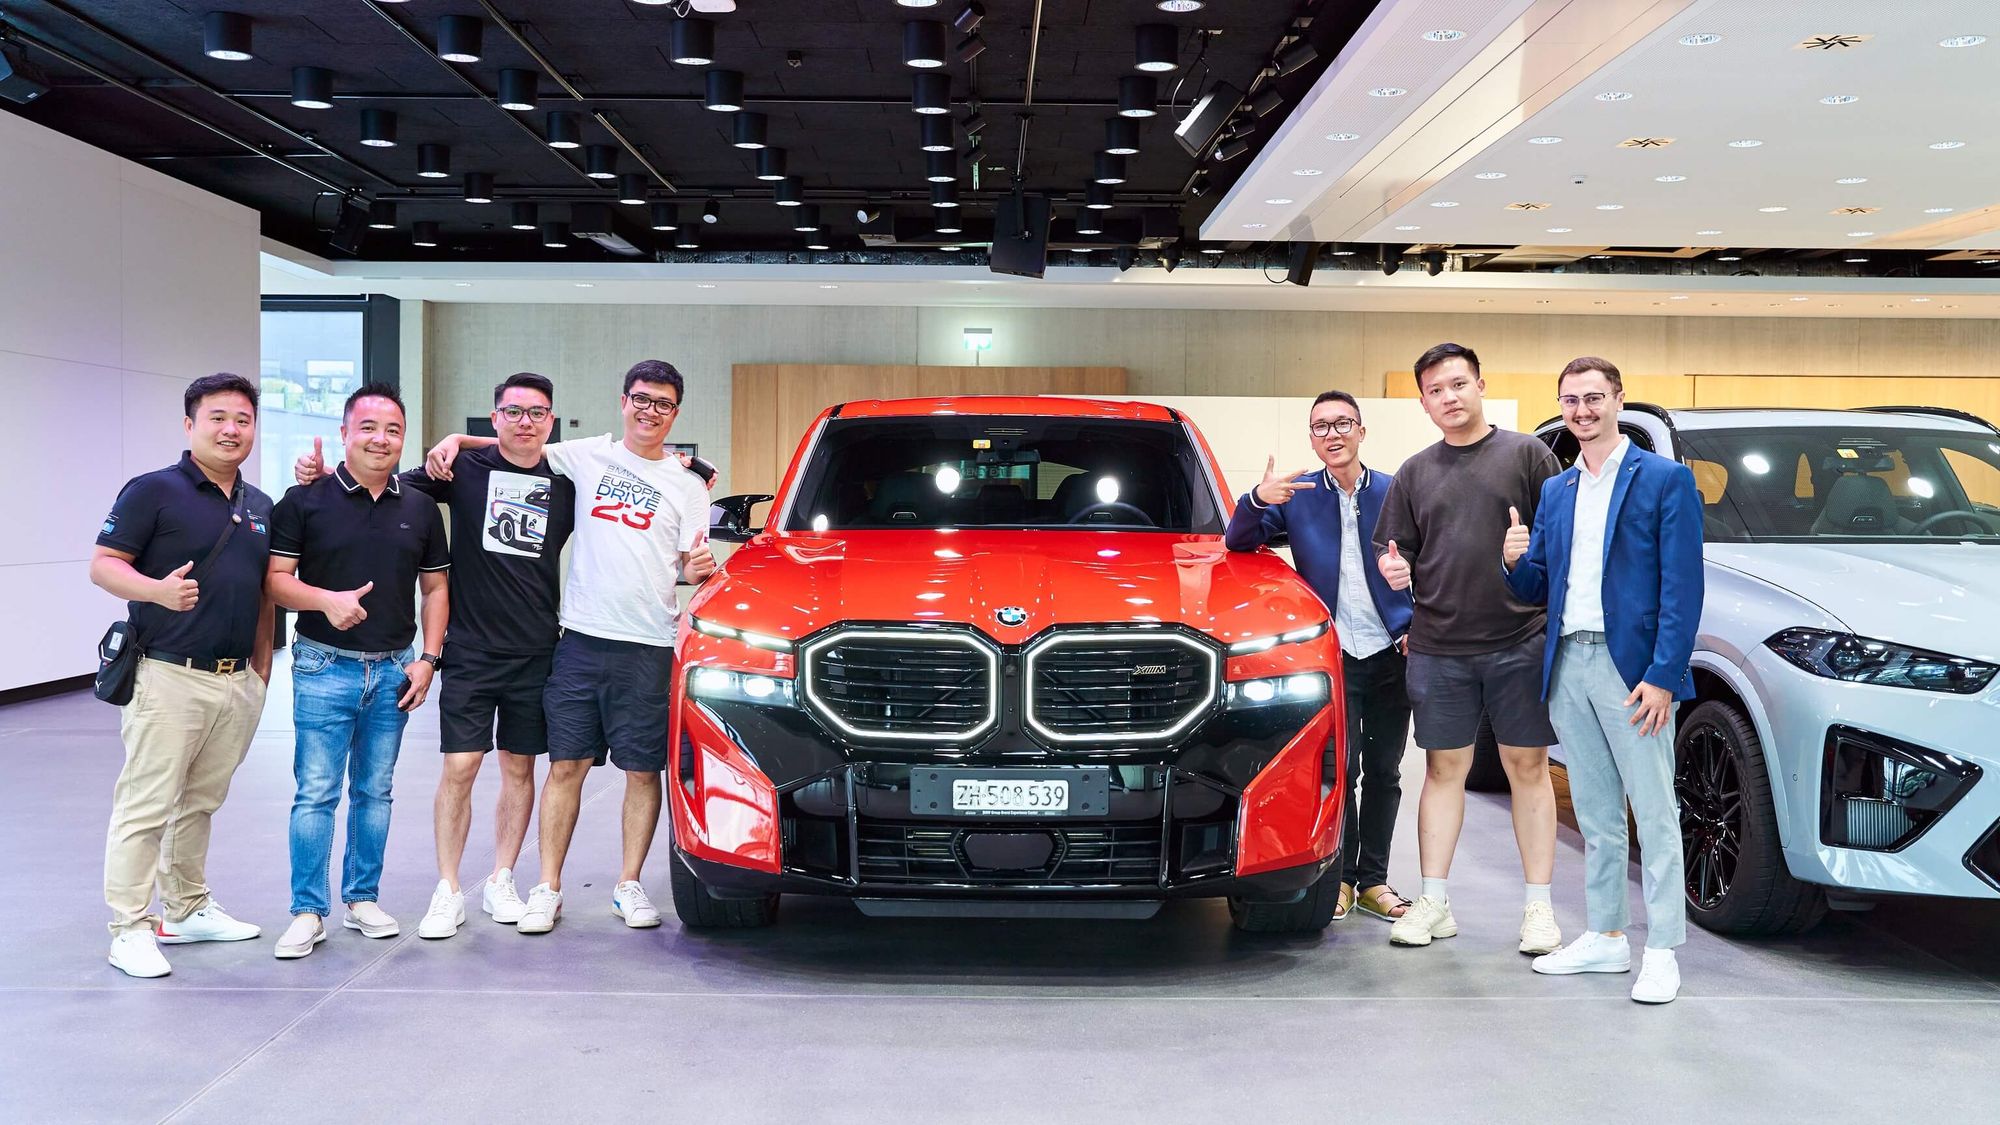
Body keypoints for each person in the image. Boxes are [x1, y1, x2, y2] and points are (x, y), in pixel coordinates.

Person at [424, 359, 717, 935]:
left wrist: (700, 567)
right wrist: (457, 438)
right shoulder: (587, 454)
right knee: (565, 766)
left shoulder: (688, 486)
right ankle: (547, 887)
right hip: (579, 640)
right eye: (641, 399)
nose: (650, 411)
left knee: (642, 772)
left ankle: (628, 885)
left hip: (649, 644)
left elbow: (690, 565)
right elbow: (519, 442)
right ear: (624, 401)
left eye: (662, 404)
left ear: (675, 412)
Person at [294, 372, 574, 939]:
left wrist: (689, 466)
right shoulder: (461, 470)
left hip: (537, 647)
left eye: (536, 413)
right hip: (470, 647)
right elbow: (376, 483)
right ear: (494, 418)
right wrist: (321, 479)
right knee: (461, 767)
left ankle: (501, 878)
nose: (524, 422)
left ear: (551, 421)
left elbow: (633, 464)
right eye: (512, 412)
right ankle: (447, 888)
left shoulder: (569, 477)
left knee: (519, 768)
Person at [1503, 357, 1703, 1003]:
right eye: (1570, 400)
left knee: (1655, 812)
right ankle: (1607, 936)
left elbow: (1683, 587)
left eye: (1593, 397)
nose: (1582, 410)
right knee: (1595, 812)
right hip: (1568, 662)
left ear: (1618, 400)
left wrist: (1663, 675)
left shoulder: (1664, 479)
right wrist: (1513, 560)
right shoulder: (1558, 490)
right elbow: (1538, 584)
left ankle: (1663, 948)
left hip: (1632, 670)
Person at [1373, 342, 1565, 955]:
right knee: (1441, 770)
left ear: (1480, 385)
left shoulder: (1529, 455)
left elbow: (1565, 538)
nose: (1448, 397)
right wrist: (1394, 569)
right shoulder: (1414, 472)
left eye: (1458, 384)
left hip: (1521, 640)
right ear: (1424, 403)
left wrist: (1529, 551)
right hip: (1438, 646)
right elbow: (1393, 549)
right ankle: (1433, 901)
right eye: (1435, 390)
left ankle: (1539, 907)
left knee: (1527, 769)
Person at [90, 374, 275, 978]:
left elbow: (264, 593)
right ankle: (129, 928)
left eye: (242, 419)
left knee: (200, 802)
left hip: (236, 681)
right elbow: (103, 565)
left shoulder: (259, 505)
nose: (231, 429)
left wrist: (261, 672)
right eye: (217, 417)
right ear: (190, 424)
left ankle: (187, 909)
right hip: (168, 675)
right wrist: (156, 591)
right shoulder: (154, 490)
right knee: (145, 805)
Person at [267, 384, 450, 959]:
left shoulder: (420, 508)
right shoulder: (304, 500)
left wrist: (429, 659)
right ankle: (307, 910)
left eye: (393, 430)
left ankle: (362, 898)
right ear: (345, 432)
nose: (381, 439)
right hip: (323, 665)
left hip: (395, 668)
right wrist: (325, 600)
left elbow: (436, 588)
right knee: (316, 793)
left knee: (375, 792)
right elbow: (276, 581)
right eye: (368, 427)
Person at [1226, 390, 1416, 923]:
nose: (1333, 434)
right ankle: (1341, 879)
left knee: (1385, 771)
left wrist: (1416, 615)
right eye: (1321, 427)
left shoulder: (1395, 491)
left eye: (1342, 423)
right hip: (1335, 656)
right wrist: (1257, 499)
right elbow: (1237, 540)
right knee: (1342, 769)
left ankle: (1375, 880)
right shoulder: (1299, 495)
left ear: (1361, 431)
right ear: (1312, 439)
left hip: (1392, 651)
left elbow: (1431, 558)